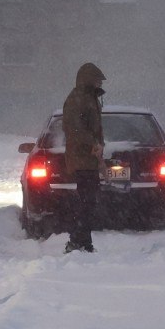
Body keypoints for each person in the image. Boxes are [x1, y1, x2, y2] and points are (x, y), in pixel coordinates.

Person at [62, 62, 106, 253]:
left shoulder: (90, 98)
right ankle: (77, 241)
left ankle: (84, 242)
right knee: (86, 202)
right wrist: (93, 143)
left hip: (89, 159)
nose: (100, 84)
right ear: (88, 80)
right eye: (97, 80)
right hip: (82, 159)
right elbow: (75, 129)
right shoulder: (78, 100)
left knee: (89, 202)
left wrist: (98, 144)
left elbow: (93, 128)